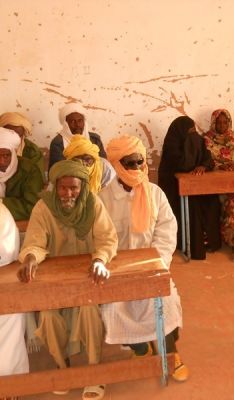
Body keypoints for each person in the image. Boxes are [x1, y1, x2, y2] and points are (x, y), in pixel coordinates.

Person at [17, 160, 118, 400]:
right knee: (49, 316)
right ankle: (63, 368)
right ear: (55, 186)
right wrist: (31, 257)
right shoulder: (43, 207)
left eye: (74, 188)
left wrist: (100, 260)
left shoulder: (93, 205)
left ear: (82, 186)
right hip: (55, 281)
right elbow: (35, 240)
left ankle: (95, 371)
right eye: (63, 188)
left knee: (89, 309)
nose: (68, 193)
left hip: (87, 278)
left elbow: (107, 239)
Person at [100, 135, 189, 381]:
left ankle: (171, 353)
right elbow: (101, 239)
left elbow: (167, 232)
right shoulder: (103, 199)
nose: (138, 168)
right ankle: (140, 348)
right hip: (118, 270)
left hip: (151, 266)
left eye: (140, 162)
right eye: (130, 163)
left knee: (165, 301)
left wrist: (156, 264)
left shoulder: (155, 194)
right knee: (113, 307)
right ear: (118, 165)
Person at [158, 116, 221, 260]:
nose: (193, 134)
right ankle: (191, 245)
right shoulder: (171, 146)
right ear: (181, 132)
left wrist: (202, 166)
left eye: (194, 130)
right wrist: (193, 160)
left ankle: (209, 242)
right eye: (190, 131)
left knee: (212, 200)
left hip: (195, 186)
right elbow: (184, 165)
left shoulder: (196, 140)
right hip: (175, 191)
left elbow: (208, 159)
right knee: (192, 204)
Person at [204, 109, 234, 262]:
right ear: (214, 123)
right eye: (219, 122)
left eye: (225, 122)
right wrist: (219, 166)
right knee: (233, 202)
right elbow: (206, 161)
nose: (222, 125)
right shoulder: (207, 139)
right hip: (215, 182)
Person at [0, 203, 29, 384]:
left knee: (8, 337)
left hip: (4, 283)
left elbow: (5, 252)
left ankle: (11, 388)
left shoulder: (2, 214)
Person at [0, 128, 44, 221]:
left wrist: (1, 203)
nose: (1, 162)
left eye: (6, 155)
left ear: (13, 153)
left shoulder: (30, 170)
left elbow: (32, 206)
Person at [49, 103, 106, 171]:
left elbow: (103, 164)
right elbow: (58, 170)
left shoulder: (95, 139)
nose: (77, 125)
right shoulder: (58, 143)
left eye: (80, 120)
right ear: (65, 124)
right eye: (73, 121)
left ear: (84, 121)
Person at [0, 111, 45, 178]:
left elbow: (37, 178)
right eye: (10, 134)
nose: (14, 139)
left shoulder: (33, 151)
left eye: (19, 136)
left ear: (23, 135)